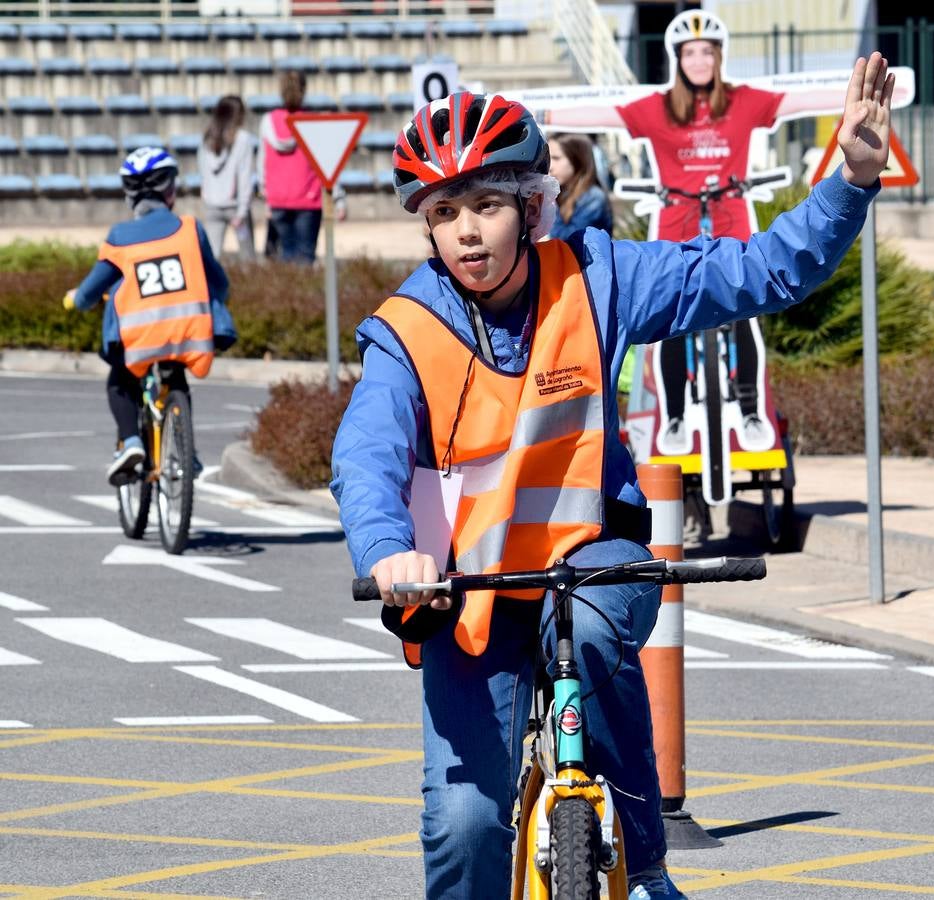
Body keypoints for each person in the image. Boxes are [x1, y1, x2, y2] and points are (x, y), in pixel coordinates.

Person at [332, 54, 893, 899]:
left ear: (530, 206)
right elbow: (364, 451)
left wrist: (850, 178)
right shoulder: (405, 330)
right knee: (463, 824)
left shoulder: (599, 278)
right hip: (464, 591)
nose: (469, 232)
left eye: (487, 204)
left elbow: (761, 271)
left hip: (594, 557)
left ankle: (642, 868)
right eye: (445, 212)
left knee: (592, 636)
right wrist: (387, 553)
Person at [545, 10, 850, 458]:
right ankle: (673, 415)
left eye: (707, 51)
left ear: (719, 56)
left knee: (744, 308)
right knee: (672, 318)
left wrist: (856, 95)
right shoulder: (660, 107)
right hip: (675, 225)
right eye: (690, 52)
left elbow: (791, 101)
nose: (699, 60)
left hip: (732, 222)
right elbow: (607, 111)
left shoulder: (743, 102)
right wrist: (542, 110)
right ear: (677, 58)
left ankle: (748, 409)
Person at [64, 147, 235, 484]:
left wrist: (75, 301)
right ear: (170, 189)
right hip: (189, 335)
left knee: (120, 380)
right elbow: (220, 283)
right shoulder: (190, 229)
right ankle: (186, 449)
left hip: (141, 340)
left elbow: (89, 292)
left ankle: (129, 442)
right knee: (176, 379)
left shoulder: (120, 237)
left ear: (129, 194)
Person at [259, 71, 346, 264]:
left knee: (285, 256)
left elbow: (262, 163)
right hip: (308, 199)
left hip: (278, 199)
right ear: (304, 90)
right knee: (306, 258)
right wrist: (339, 198)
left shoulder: (267, 121)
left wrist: (265, 196)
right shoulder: (312, 122)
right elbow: (327, 165)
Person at [199, 94, 256, 261]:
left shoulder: (206, 138)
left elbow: (203, 171)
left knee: (212, 258)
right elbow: (245, 176)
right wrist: (242, 210)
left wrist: (207, 195)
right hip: (236, 207)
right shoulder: (243, 139)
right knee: (248, 259)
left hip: (212, 204)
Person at [547, 131, 613, 239]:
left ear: (578, 159)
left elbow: (567, 239)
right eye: (548, 158)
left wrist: (550, 203)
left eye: (556, 158)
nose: (550, 166)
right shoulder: (563, 192)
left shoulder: (593, 198)